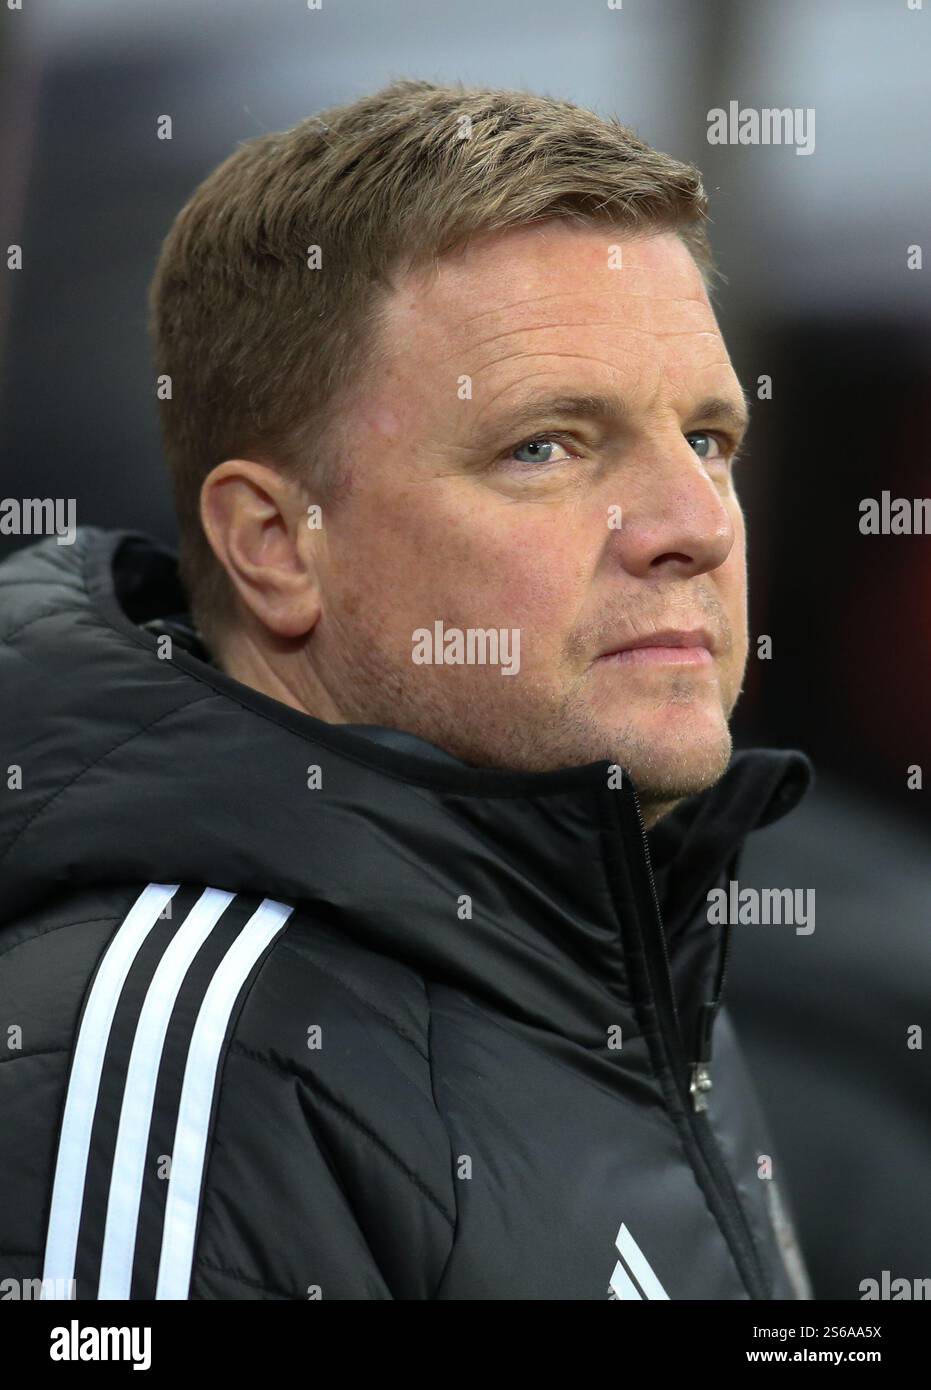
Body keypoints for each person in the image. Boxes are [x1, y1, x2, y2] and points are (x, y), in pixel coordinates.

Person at [0, 78, 813, 1300]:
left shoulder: (627, 929)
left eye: (705, 439)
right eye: (544, 445)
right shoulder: (178, 1067)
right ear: (277, 544)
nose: (693, 525)